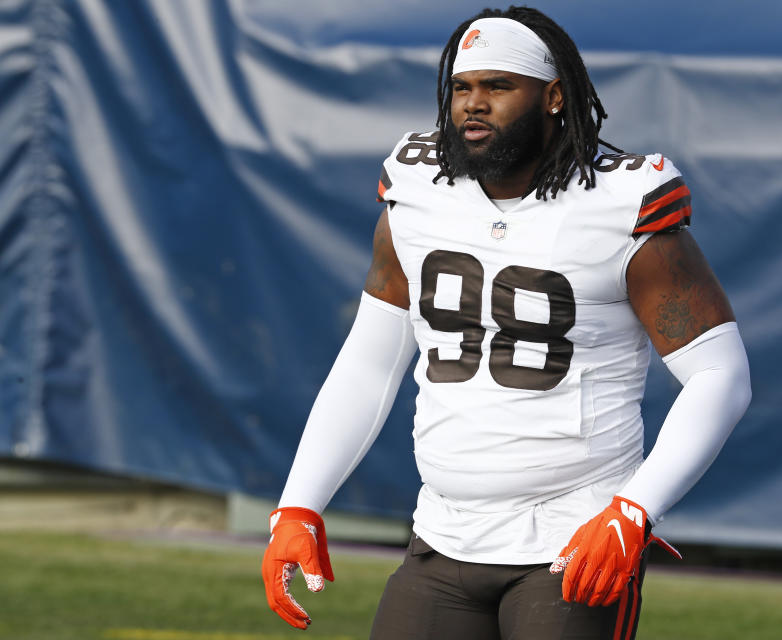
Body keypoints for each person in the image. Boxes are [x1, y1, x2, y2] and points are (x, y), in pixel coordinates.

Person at [262, 6, 752, 639]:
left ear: (553, 97)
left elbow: (720, 373)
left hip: (570, 538)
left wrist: (634, 511)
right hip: (441, 533)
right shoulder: (416, 187)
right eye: (462, 87)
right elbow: (371, 359)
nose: (473, 104)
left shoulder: (619, 203)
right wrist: (299, 504)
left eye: (497, 87)